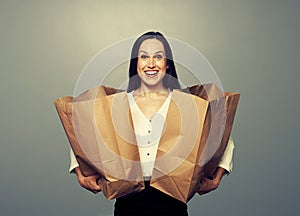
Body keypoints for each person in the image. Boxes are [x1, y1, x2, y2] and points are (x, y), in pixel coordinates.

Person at [69, 31, 235, 216]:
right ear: (136, 63)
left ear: (168, 64)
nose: (151, 64)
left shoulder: (186, 104)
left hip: (173, 199)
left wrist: (216, 178)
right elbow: (85, 135)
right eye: (144, 57)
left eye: (158, 57)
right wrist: (79, 173)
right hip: (128, 200)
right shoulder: (118, 103)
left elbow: (222, 139)